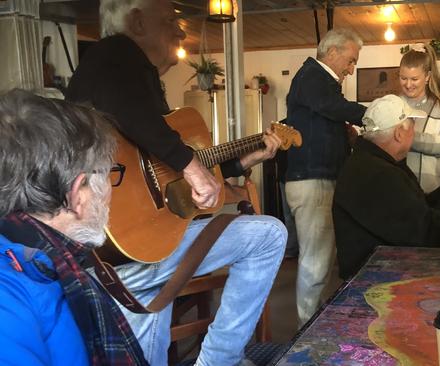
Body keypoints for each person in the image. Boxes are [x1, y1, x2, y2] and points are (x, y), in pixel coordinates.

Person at [66, 1, 287, 365]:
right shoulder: (115, 53)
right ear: (137, 20)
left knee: (148, 338)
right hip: (113, 246)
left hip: (137, 247)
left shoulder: (132, 78)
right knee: (268, 236)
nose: (182, 31)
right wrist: (189, 164)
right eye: (171, 20)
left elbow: (163, 163)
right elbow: (132, 115)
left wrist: (244, 159)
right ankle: (220, 361)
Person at [0, 89, 147, 366]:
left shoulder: (50, 260)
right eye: (109, 175)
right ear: (78, 192)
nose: (110, 193)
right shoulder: (10, 295)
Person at [333, 95, 440, 279]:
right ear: (399, 134)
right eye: (413, 126)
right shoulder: (377, 173)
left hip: (383, 272)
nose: (414, 132)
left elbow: (418, 209)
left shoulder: (373, 163)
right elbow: (428, 235)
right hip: (378, 283)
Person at [285, 28, 367, 325]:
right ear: (332, 53)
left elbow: (325, 114)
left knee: (321, 261)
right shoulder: (312, 76)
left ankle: (314, 325)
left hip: (316, 179)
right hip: (313, 181)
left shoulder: (317, 80)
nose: (351, 68)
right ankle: (306, 334)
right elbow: (331, 107)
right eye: (350, 60)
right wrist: (373, 114)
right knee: (315, 263)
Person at [399, 44, 440, 192]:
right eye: (403, 78)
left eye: (414, 79)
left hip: (439, 188)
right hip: (405, 190)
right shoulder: (396, 104)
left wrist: (410, 138)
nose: (408, 84)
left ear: (427, 76)